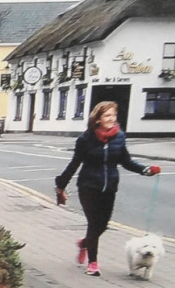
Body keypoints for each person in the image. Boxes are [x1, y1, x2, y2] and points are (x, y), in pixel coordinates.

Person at [55, 101, 161, 276]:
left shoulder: (119, 137)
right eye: (107, 116)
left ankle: (84, 243)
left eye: (113, 115)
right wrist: (60, 186)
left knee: (103, 225)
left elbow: (126, 161)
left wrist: (146, 170)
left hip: (109, 187)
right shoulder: (85, 139)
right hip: (88, 185)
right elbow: (74, 164)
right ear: (98, 119)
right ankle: (93, 263)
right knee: (94, 222)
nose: (112, 119)